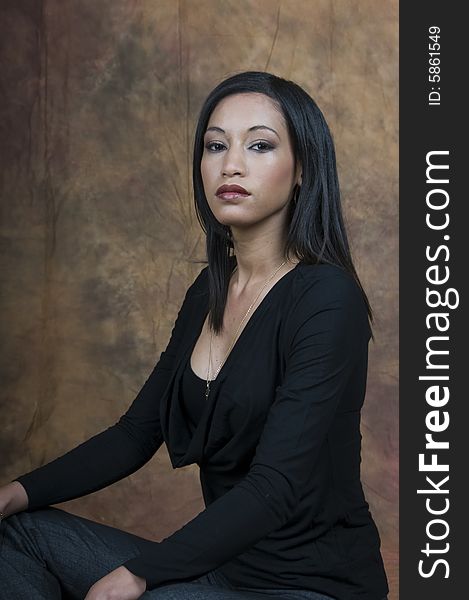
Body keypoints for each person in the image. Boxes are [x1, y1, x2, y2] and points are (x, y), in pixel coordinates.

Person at [0, 71, 389, 600]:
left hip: (311, 587)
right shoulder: (207, 291)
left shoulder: (326, 299)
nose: (231, 164)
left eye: (259, 145)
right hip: (219, 571)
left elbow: (273, 489)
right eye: (215, 145)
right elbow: (134, 435)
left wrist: (138, 574)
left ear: (302, 170)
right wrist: (13, 494)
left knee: (149, 595)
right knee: (14, 532)